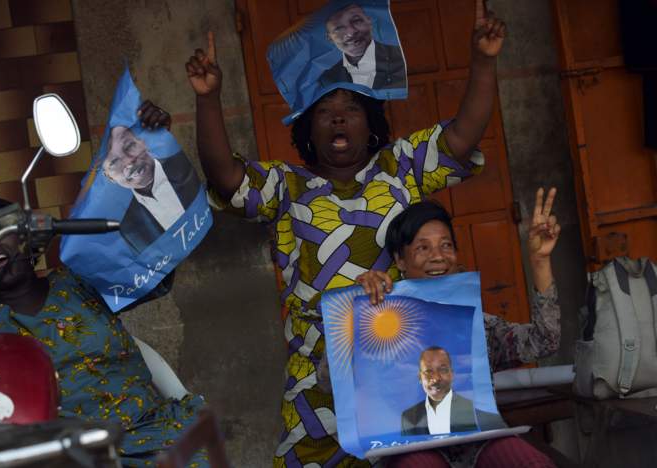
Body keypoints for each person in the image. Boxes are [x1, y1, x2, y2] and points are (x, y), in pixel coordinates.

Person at [185, 0, 505, 465]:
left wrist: (483, 61)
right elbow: (224, 177)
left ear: (371, 124)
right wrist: (208, 98)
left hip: (400, 367)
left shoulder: (402, 167)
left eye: (351, 108)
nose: (338, 117)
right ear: (307, 129)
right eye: (325, 111)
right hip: (317, 385)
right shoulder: (286, 187)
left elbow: (463, 136)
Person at [0, 103, 209, 468]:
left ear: (28, 237)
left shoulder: (79, 279)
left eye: (2, 229)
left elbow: (154, 260)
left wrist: (153, 147)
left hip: (155, 435)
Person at [354, 188, 560, 467]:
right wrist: (364, 315)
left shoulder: (478, 325)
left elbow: (545, 340)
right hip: (412, 447)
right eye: (422, 247)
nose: (438, 256)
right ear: (400, 260)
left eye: (446, 245)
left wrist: (540, 261)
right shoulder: (382, 325)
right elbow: (330, 380)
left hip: (480, 441)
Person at [102, 112, 201, 253]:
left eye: (129, 146)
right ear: (109, 177)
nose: (129, 160)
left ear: (142, 142)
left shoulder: (181, 162)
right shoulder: (127, 228)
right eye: (115, 162)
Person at [401, 346, 504, 436]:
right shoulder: (408, 418)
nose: (436, 378)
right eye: (428, 371)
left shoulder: (477, 411)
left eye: (443, 370)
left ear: (452, 374)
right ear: (420, 377)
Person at [319, 3, 406, 89]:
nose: (350, 32)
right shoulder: (328, 80)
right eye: (338, 29)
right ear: (329, 38)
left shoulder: (402, 58)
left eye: (357, 21)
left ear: (369, 22)